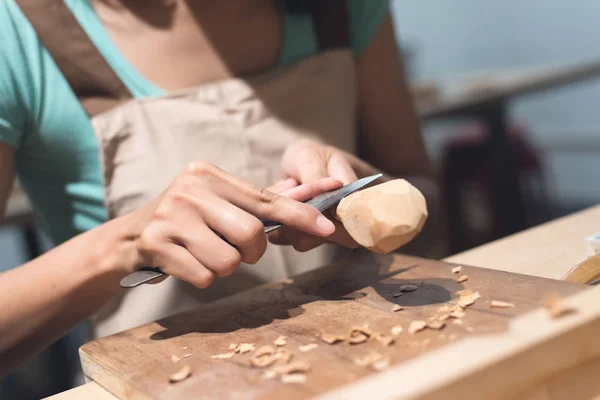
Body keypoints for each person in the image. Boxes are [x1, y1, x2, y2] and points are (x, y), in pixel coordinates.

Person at [0, 0, 442, 376]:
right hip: (163, 381)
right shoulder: (17, 32)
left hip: (371, 364)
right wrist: (125, 243)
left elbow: (428, 198)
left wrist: (359, 199)